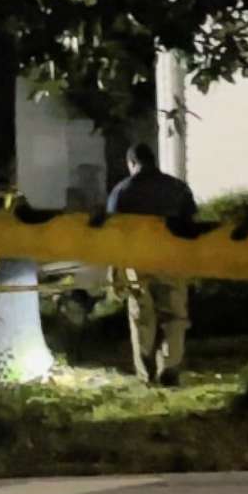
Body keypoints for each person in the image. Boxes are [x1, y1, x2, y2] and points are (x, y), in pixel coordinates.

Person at [106, 142, 198, 385]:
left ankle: (146, 372)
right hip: (172, 260)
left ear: (132, 163)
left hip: (137, 263)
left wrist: (114, 272)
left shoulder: (122, 191)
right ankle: (169, 366)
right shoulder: (178, 188)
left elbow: (114, 232)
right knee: (175, 317)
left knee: (142, 316)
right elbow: (191, 226)